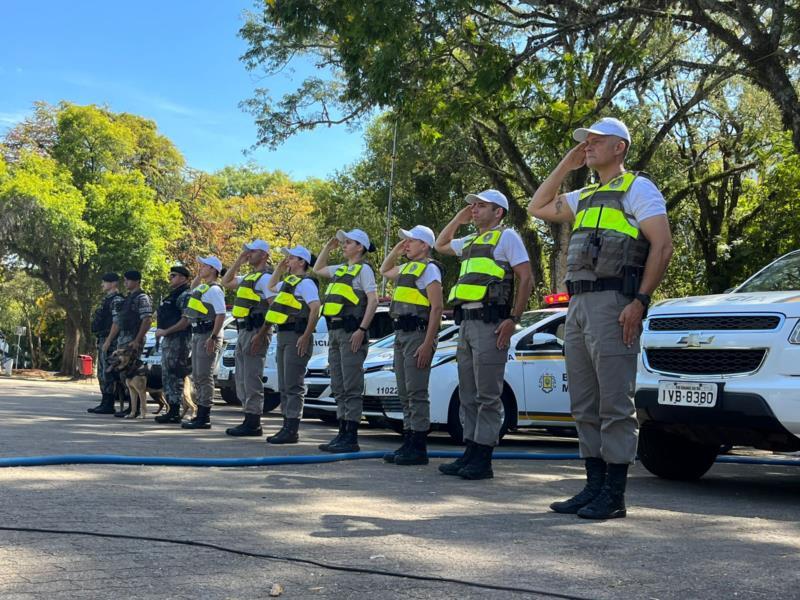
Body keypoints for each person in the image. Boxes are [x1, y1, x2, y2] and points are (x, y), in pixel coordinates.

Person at [528, 117, 673, 519]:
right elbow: (537, 206)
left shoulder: (638, 189)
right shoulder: (586, 195)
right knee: (584, 403)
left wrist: (640, 301)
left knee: (614, 402)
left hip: (614, 303)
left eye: (596, 141)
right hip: (577, 307)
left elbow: (662, 247)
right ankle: (593, 486)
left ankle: (615, 493)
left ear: (619, 147)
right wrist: (565, 164)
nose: (588, 146)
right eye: (584, 142)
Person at [435, 190, 533, 480]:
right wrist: (458, 218)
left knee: (488, 394)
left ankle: (483, 458)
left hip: (491, 323)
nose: (474, 210)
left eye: (481, 206)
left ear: (498, 212)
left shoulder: (507, 237)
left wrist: (513, 318)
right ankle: (470, 451)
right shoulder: (470, 241)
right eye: (473, 206)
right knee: (468, 392)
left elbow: (526, 277)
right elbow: (440, 244)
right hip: (465, 324)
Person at [380, 226, 444, 465]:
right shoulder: (407, 268)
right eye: (404, 241)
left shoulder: (430, 269)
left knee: (416, 392)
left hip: (418, 334)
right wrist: (398, 248)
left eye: (411, 241)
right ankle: (408, 440)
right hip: (401, 335)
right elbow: (384, 269)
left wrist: (428, 344)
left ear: (425, 245)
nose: (406, 244)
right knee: (405, 392)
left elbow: (436, 308)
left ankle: (418, 446)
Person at [314, 229, 379, 453]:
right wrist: (327, 247)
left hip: (352, 332)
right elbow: (318, 268)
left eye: (348, 242)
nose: (344, 245)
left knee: (351, 386)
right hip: (335, 331)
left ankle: (351, 437)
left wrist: (362, 328)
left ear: (360, 247)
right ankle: (342, 433)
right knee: (338, 385)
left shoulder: (364, 270)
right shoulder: (341, 269)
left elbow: (373, 300)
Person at [264, 246, 321, 444]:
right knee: (284, 384)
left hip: (297, 335)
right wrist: (279, 268)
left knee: (293, 384)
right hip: (284, 334)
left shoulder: (306, 284)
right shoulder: (290, 282)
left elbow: (315, 309)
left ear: (302, 262)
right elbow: (271, 286)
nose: (287, 260)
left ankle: (292, 427)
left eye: (291, 258)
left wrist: (306, 336)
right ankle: (286, 425)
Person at [220, 240, 275, 437]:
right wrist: (238, 261)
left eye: (253, 252)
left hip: (256, 331)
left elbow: (274, 306)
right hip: (244, 331)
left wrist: (262, 334)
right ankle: (248, 417)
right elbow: (226, 282)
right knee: (242, 377)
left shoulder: (266, 279)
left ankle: (254, 422)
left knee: (252, 377)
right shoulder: (250, 277)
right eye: (248, 252)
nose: (249, 254)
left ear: (264, 255)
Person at [181, 257, 227, 430]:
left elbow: (221, 314)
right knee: (198, 376)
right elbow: (192, 289)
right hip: (198, 333)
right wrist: (200, 275)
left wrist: (213, 337)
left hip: (208, 334)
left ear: (214, 269)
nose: (201, 267)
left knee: (204, 376)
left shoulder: (215, 290)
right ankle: (199, 413)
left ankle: (204, 416)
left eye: (205, 266)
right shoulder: (203, 287)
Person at [103, 270, 153, 417]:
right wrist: (109, 340)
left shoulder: (142, 297)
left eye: (127, 280)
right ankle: (131, 408)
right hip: (123, 340)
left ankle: (136, 409)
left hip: (132, 341)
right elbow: (117, 322)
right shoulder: (128, 298)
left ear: (136, 281)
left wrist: (137, 340)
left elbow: (147, 319)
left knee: (134, 374)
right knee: (126, 376)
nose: (124, 283)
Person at [153, 265, 192, 424]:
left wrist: (166, 331)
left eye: (174, 275)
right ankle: (172, 409)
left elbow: (185, 321)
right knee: (167, 374)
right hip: (169, 340)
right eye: (170, 275)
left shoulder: (185, 295)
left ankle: (175, 411)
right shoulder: (173, 295)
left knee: (175, 373)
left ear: (184, 278)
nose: (171, 278)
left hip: (179, 339)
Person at [87, 272, 124, 414]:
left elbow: (117, 322)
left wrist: (109, 340)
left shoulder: (116, 300)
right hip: (103, 338)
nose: (102, 284)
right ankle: (105, 401)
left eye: (105, 282)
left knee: (108, 373)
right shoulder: (107, 299)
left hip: (111, 341)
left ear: (113, 283)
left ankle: (109, 403)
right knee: (102, 373)